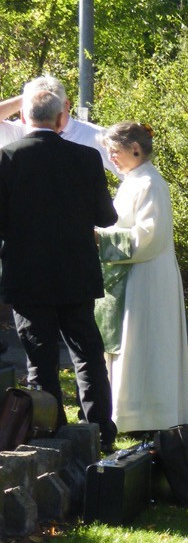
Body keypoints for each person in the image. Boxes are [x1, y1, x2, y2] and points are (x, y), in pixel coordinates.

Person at [0, 77, 118, 450]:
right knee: (86, 353)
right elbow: (106, 217)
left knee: (40, 358)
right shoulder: (85, 157)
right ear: (61, 118)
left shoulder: (7, 158)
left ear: (22, 115)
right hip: (76, 271)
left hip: (27, 273)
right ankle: (99, 429)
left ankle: (49, 431)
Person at [94, 121, 188, 435]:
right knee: (132, 346)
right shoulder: (132, 181)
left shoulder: (151, 183)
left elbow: (149, 236)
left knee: (147, 345)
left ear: (135, 149)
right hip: (131, 274)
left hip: (147, 278)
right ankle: (129, 414)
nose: (111, 157)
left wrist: (101, 240)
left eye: (115, 151)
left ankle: (150, 415)